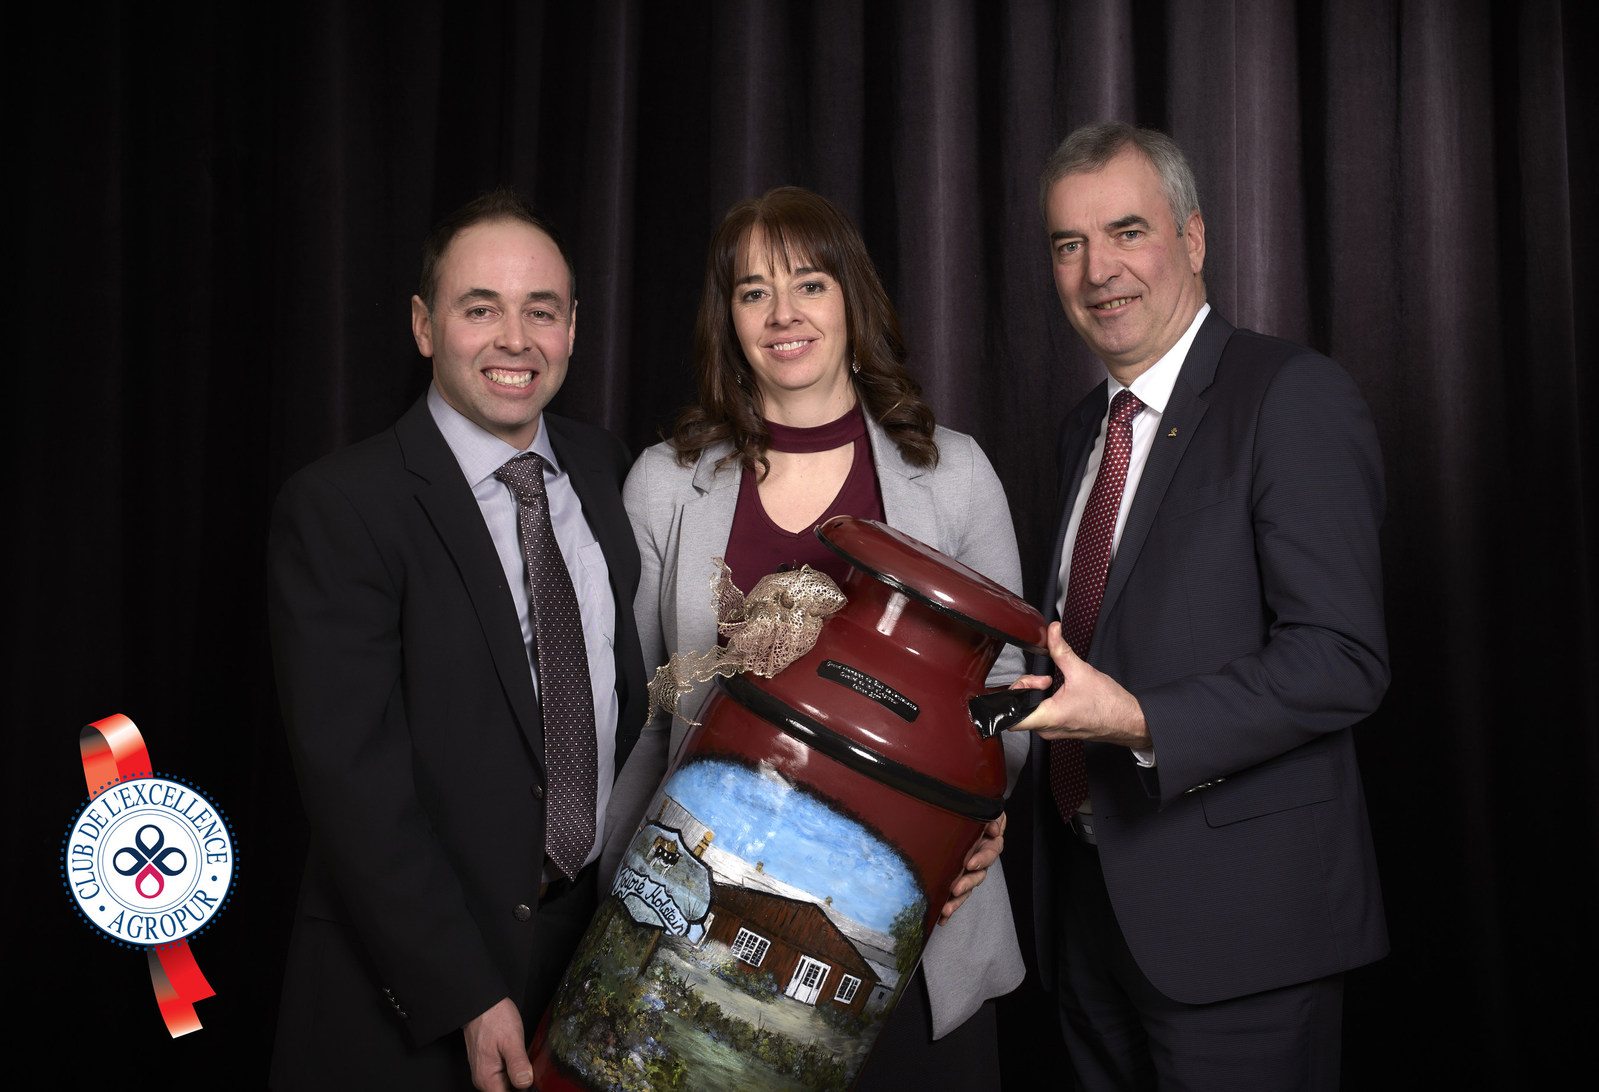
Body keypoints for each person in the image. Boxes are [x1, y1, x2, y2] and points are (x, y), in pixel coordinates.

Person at [607, 185, 1028, 1088]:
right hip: (691, 926)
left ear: (851, 299)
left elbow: (1017, 694)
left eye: (808, 283)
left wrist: (982, 819)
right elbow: (643, 714)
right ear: (727, 317)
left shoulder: (951, 476)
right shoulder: (661, 486)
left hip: (908, 918)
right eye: (752, 291)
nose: (783, 313)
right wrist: (607, 902)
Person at [1008, 123, 1389, 1089]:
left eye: (1126, 232)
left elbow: (1342, 658)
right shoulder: (1080, 432)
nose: (1099, 271)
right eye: (1068, 244)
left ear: (1193, 238)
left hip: (1242, 935)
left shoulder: (1289, 395)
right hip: (1089, 913)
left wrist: (1136, 720)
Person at [267, 189, 646, 1091]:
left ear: (571, 328)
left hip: (585, 960)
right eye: (481, 308)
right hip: (411, 988)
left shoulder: (607, 471)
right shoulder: (343, 508)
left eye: (540, 311)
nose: (514, 340)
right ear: (424, 325)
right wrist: (464, 990)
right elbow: (354, 785)